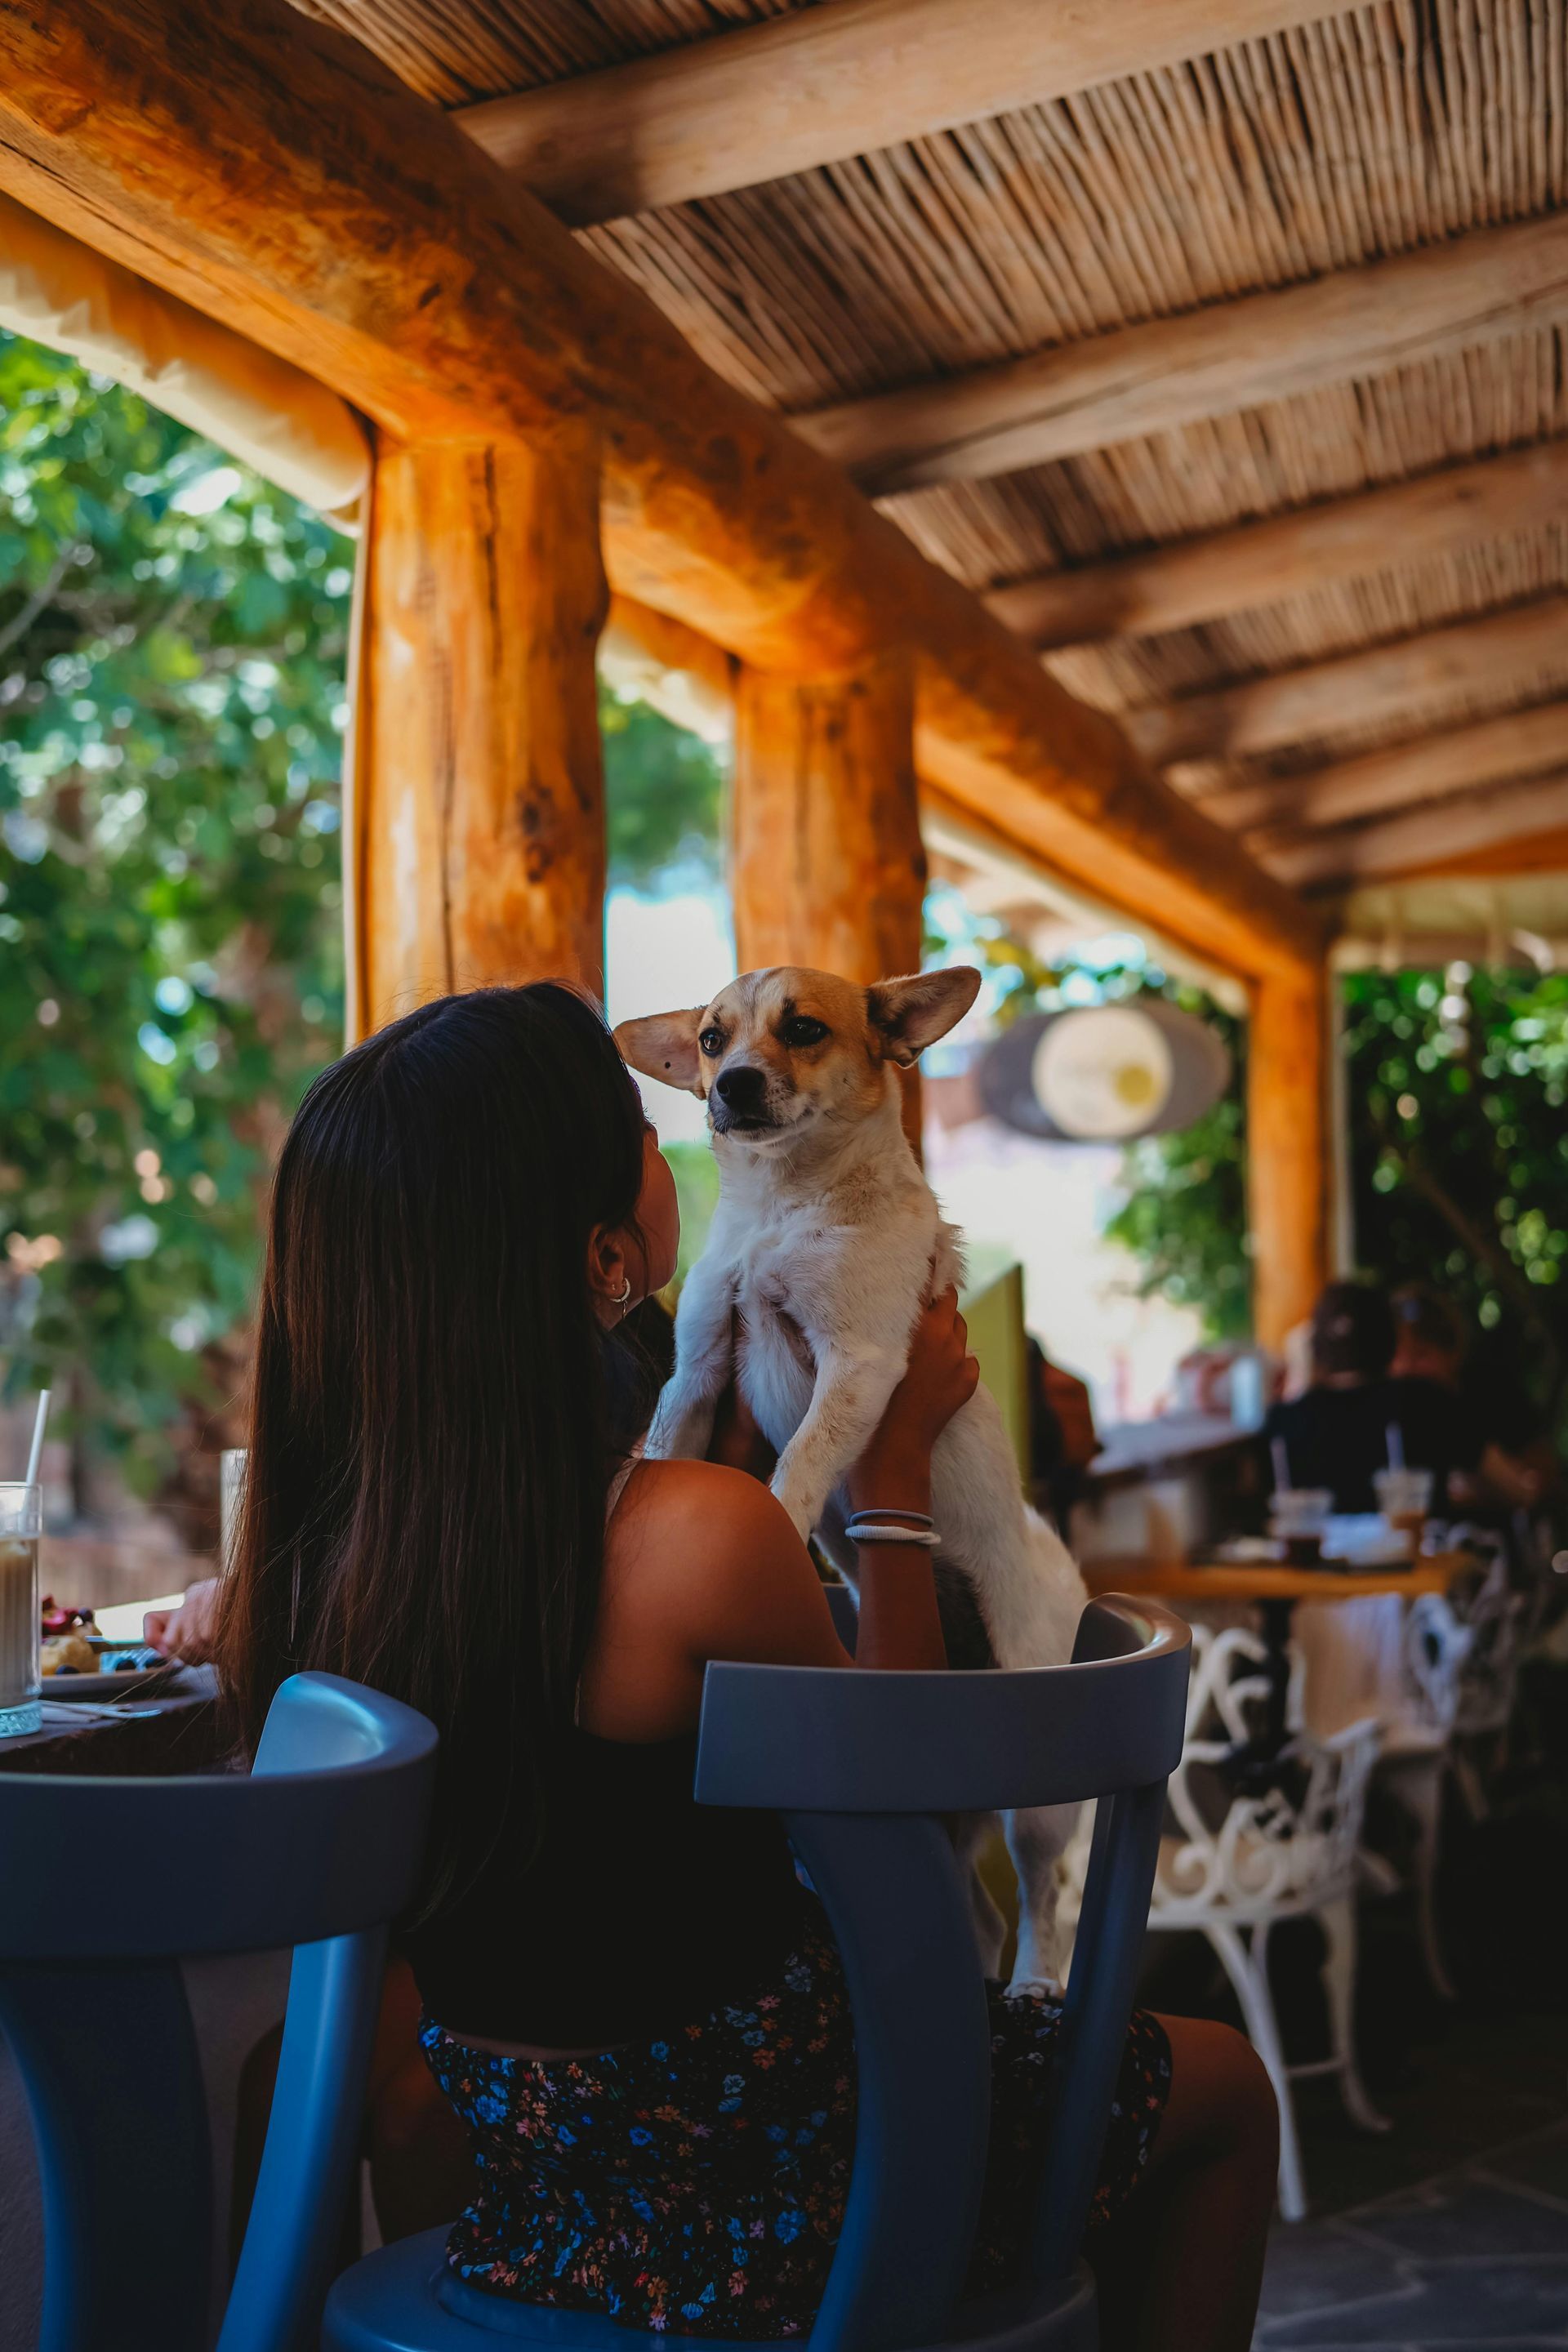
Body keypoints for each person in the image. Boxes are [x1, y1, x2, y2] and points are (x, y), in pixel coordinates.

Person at [216, 983, 1276, 2352]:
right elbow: (911, 1817)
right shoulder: (693, 1536)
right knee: (1229, 2089)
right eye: (652, 1141)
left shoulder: (314, 1561)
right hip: (781, 2186)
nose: (696, 1136)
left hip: (531, 2192)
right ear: (610, 1258)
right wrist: (890, 1485)